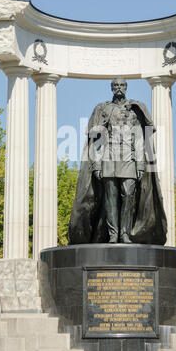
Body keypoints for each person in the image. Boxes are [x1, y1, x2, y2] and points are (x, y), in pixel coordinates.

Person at [68, 78, 167, 246]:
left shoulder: (135, 110)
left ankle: (125, 234)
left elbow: (140, 138)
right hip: (108, 158)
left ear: (126, 87)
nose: (119, 88)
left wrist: (141, 164)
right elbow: (97, 139)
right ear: (111, 88)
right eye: (115, 86)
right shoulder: (103, 109)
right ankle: (114, 235)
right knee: (110, 199)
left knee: (128, 196)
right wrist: (97, 164)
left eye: (121, 85)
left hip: (129, 158)